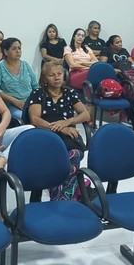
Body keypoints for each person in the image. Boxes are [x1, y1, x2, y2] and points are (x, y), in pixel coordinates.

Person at [27, 62, 90, 201]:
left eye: (59, 74)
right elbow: (35, 119)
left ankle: (63, 196)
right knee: (59, 159)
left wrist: (67, 122)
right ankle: (62, 196)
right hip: (46, 135)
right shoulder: (38, 93)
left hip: (68, 136)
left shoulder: (69, 93)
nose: (57, 78)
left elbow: (86, 114)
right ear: (44, 78)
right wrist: (60, 127)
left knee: (74, 155)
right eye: (52, 75)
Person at [0, 37, 39, 120]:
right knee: (24, 117)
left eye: (19, 48)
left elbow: (35, 85)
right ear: (6, 52)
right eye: (14, 49)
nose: (18, 51)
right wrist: (13, 100)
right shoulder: (0, 67)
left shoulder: (25, 65)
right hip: (11, 104)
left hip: (30, 102)